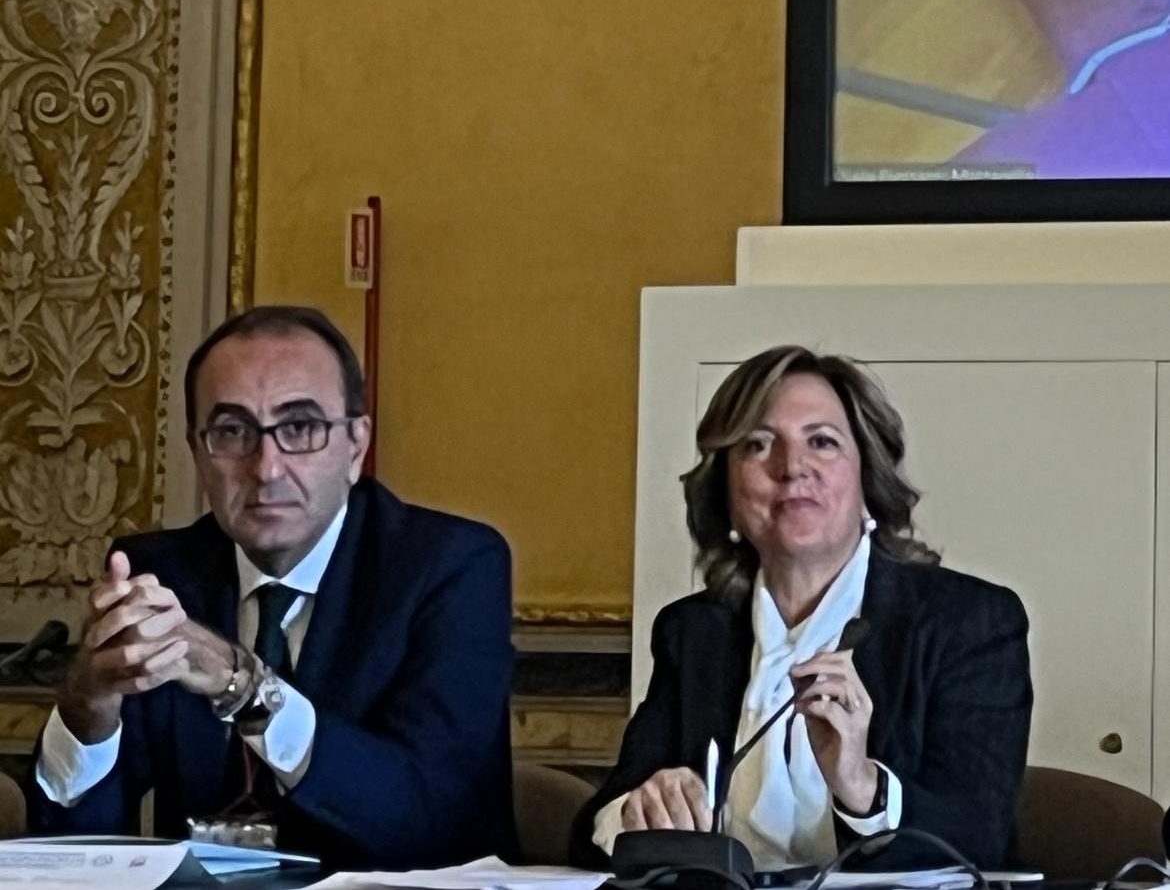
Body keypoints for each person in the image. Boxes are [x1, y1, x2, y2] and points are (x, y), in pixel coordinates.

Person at [27, 306, 516, 869]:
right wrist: (89, 706)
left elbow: (431, 820)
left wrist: (243, 685)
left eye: (299, 428)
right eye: (232, 432)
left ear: (355, 447)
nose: (266, 468)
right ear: (197, 451)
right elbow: (68, 847)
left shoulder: (451, 567)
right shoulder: (161, 574)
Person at [571, 346, 1032, 871]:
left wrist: (861, 784)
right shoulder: (693, 630)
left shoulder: (970, 622)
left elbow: (980, 836)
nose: (791, 468)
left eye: (822, 442)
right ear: (726, 491)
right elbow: (591, 831)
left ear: (867, 479)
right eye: (757, 445)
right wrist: (639, 810)